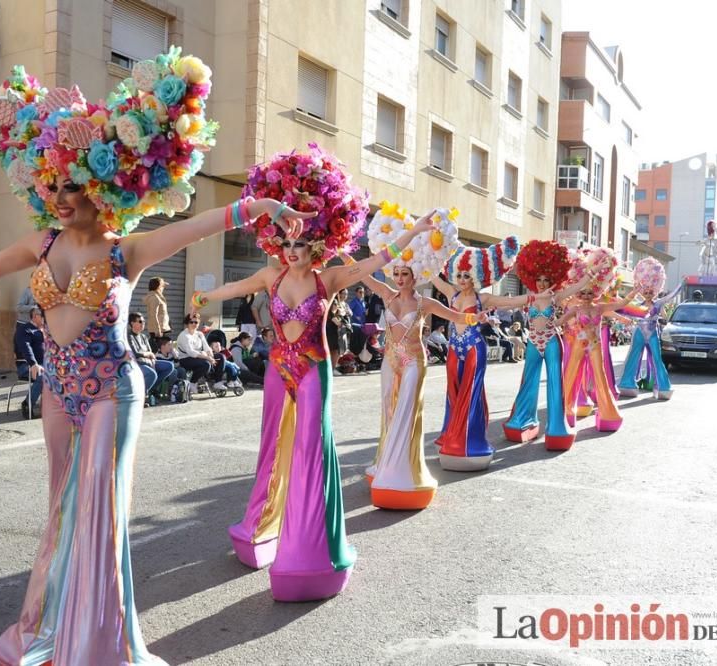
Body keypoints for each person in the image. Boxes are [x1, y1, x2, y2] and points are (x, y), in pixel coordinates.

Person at [0, 51, 314, 666]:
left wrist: (253, 209)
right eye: (55, 183)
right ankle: (49, 624)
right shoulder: (40, 242)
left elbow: (197, 228)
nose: (62, 194)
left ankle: (96, 642)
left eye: (75, 185)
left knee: (98, 510)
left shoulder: (129, 252)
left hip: (110, 393)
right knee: (60, 507)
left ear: (106, 187)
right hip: (57, 392)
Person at [193, 149, 425, 601]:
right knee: (271, 446)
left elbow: (376, 264)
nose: (292, 249)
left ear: (315, 245)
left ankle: (309, 548)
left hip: (315, 370)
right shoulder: (269, 276)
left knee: (310, 450)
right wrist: (203, 300)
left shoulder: (331, 278)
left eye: (300, 243)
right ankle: (261, 527)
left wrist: (414, 232)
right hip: (279, 369)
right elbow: (232, 288)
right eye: (286, 243)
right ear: (277, 244)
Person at [355, 236, 488, 510]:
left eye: (405, 274)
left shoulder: (424, 303)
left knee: (405, 412)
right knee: (389, 412)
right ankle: (384, 462)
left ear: (415, 277)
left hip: (414, 361)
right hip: (390, 361)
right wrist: (343, 252)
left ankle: (399, 472)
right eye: (396, 273)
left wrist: (478, 318)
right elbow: (360, 272)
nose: (400, 278)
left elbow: (457, 317)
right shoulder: (385, 293)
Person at [428, 239, 523, 470]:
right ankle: (451, 435)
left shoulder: (483, 299)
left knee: (469, 394)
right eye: (458, 275)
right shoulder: (451, 292)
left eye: (466, 276)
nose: (461, 280)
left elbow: (510, 302)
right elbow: (432, 277)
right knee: (453, 393)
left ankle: (468, 442)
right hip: (453, 349)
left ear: (476, 276)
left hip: (473, 349)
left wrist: (534, 298)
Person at [502, 241, 592, 448]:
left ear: (553, 280)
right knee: (528, 381)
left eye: (546, 280)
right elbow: (507, 302)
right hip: (533, 342)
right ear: (533, 279)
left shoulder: (556, 296)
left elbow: (577, 286)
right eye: (539, 279)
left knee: (554, 382)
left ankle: (556, 427)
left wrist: (592, 273)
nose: (542, 283)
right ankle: (523, 420)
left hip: (551, 341)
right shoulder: (531, 298)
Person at [558, 249, 638, 434]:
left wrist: (633, 292)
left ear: (595, 292)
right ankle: (565, 410)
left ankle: (607, 413)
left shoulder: (600, 307)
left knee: (600, 377)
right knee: (569, 375)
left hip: (595, 346)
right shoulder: (574, 308)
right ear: (578, 293)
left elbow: (620, 304)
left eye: (589, 293)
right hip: (578, 343)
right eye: (582, 293)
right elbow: (557, 321)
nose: (586, 296)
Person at [617, 259, 682, 400]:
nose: (647, 292)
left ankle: (663, 387)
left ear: (656, 289)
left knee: (657, 359)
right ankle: (627, 384)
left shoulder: (658, 304)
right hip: (639, 332)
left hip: (652, 333)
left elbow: (672, 296)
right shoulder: (636, 304)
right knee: (633, 357)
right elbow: (620, 308)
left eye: (650, 290)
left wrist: (682, 283)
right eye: (645, 290)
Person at [127, 311, 174, 405]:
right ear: (132, 323)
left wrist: (152, 360)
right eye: (140, 321)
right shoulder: (129, 336)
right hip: (136, 364)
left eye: (144, 322)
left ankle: (150, 389)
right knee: (152, 373)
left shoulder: (144, 337)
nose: (143, 324)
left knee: (169, 366)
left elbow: (151, 353)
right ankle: (140, 398)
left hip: (148, 362)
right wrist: (148, 355)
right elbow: (135, 353)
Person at [13, 306, 46, 418]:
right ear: (36, 316)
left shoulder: (45, 330)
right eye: (43, 316)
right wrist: (33, 363)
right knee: (43, 376)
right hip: (26, 365)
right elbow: (25, 347)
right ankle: (27, 404)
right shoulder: (25, 329)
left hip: (45, 365)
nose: (46, 318)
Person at [177, 313, 217, 392]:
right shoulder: (184, 335)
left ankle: (217, 382)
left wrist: (211, 355)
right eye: (191, 322)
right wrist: (208, 357)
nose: (194, 324)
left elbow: (206, 347)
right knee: (206, 364)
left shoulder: (200, 334)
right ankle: (192, 382)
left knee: (221, 357)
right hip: (185, 359)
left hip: (199, 357)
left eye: (196, 322)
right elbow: (191, 352)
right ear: (187, 323)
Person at [143, 276, 170, 351]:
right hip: (158, 330)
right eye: (162, 286)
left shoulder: (158, 296)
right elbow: (153, 315)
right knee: (158, 350)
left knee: (164, 350)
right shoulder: (154, 298)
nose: (163, 288)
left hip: (162, 328)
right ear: (158, 286)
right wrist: (157, 330)